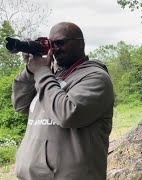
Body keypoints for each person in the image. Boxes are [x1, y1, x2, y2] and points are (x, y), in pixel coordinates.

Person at [12, 22, 114, 180]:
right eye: (51, 44)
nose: (54, 49)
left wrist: (42, 73)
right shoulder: (51, 77)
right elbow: (20, 105)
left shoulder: (96, 77)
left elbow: (68, 114)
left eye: (60, 43)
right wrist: (30, 72)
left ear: (80, 43)